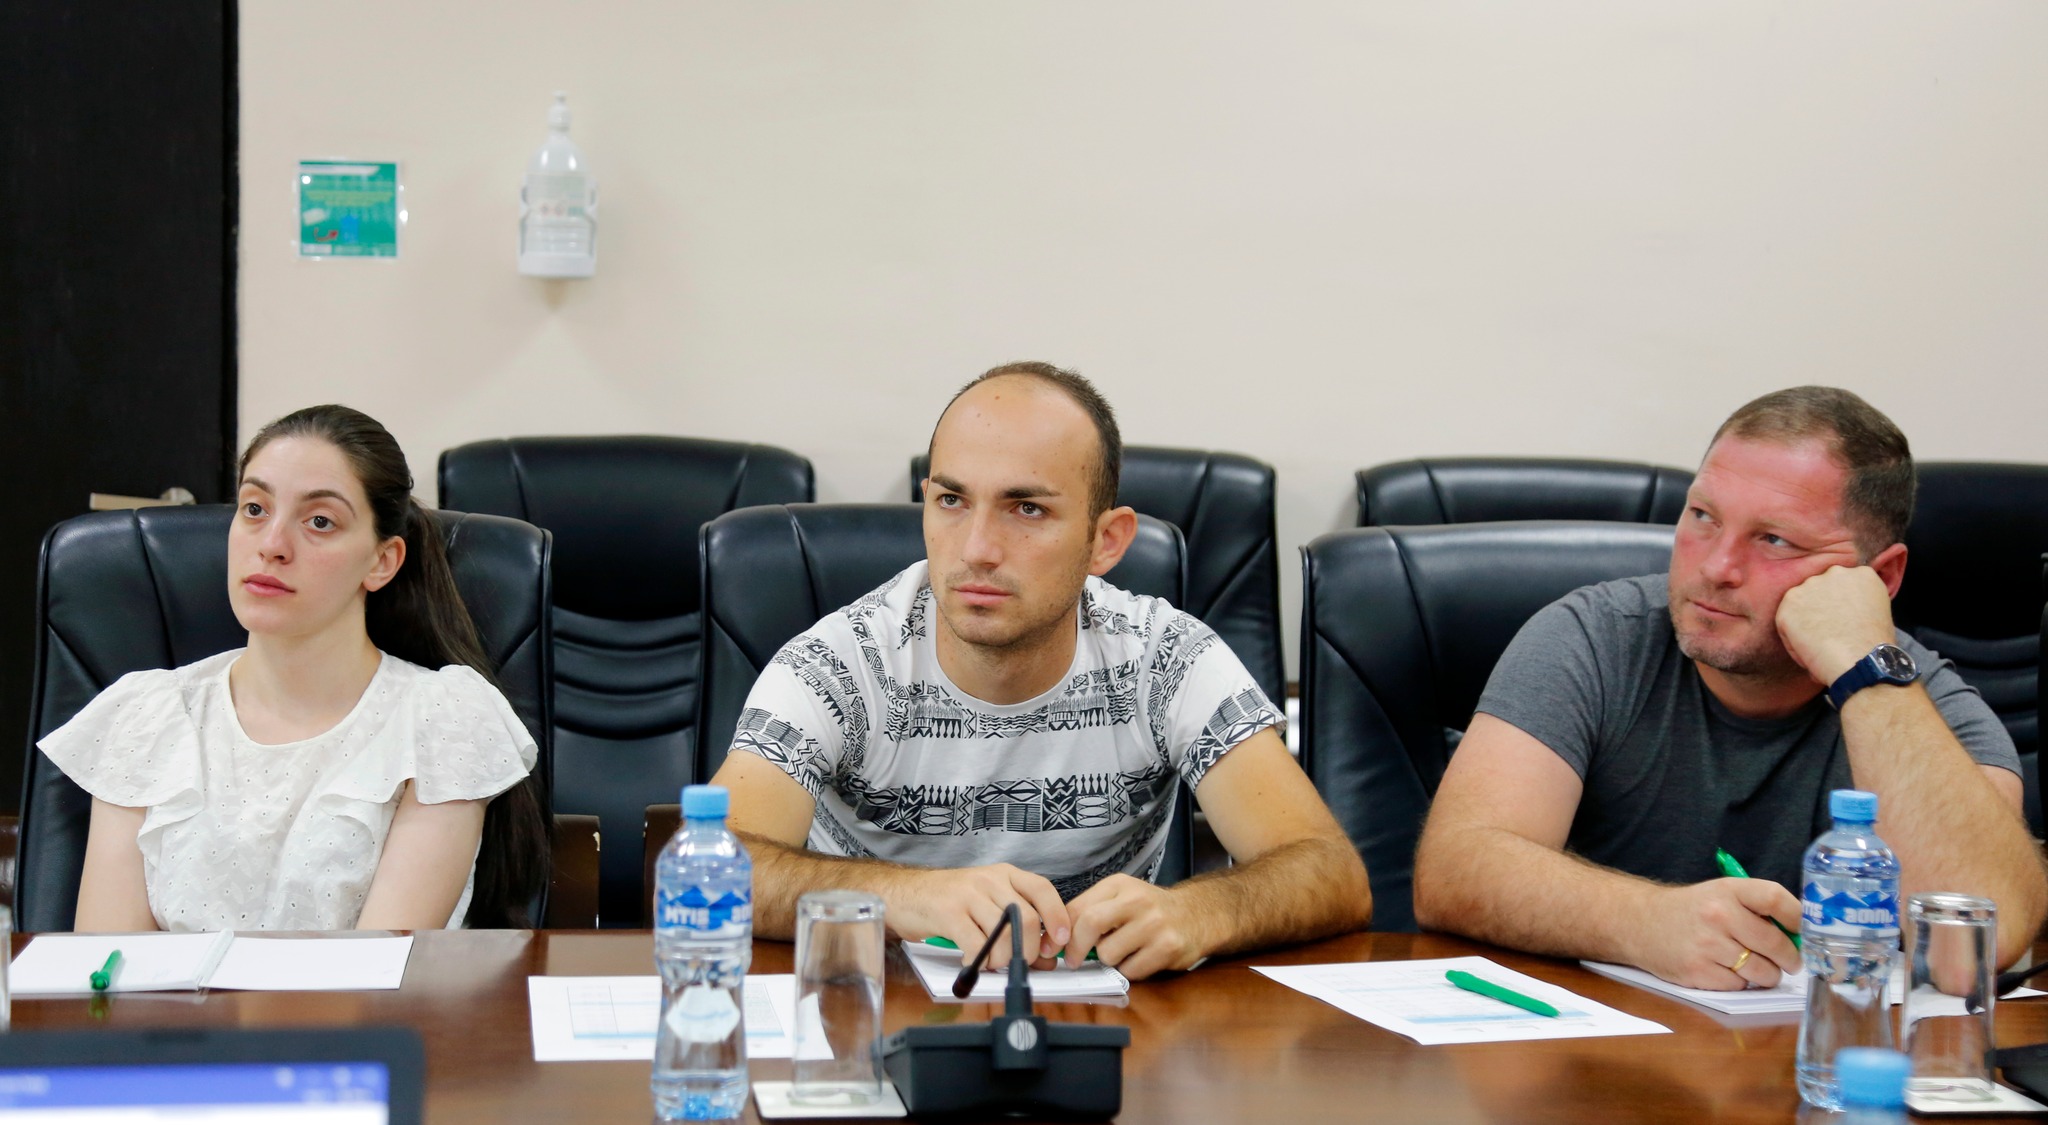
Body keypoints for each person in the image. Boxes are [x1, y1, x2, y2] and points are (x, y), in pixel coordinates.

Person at [708, 362, 1369, 980]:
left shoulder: (1166, 657)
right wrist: (901, 896)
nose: (977, 549)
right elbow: (711, 869)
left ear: (1106, 540)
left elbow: (1330, 869)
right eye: (952, 501)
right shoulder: (840, 663)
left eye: (1027, 508)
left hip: (1110, 1023)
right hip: (871, 1009)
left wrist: (1201, 911)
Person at [1413, 386, 2047, 987]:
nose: (1716, 567)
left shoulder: (1923, 705)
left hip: (1825, 1054)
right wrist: (1645, 921)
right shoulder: (1594, 638)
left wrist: (1866, 670)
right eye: (1703, 516)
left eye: (1774, 539)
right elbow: (1454, 869)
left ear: (1878, 578)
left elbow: (1978, 946)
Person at [45, 404, 549, 932]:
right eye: (254, 509)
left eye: (319, 521)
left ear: (382, 562)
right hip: (167, 996)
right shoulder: (147, 716)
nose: (272, 546)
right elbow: (110, 962)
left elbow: (377, 967)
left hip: (365, 991)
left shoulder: (443, 722)